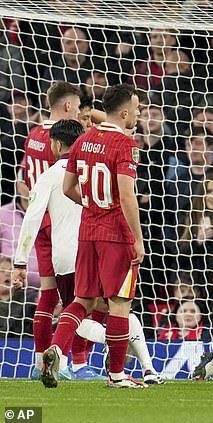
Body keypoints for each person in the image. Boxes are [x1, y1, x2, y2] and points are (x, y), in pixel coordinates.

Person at [40, 84, 146, 389]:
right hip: (116, 234)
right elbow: (127, 196)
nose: (137, 114)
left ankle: (56, 350)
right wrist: (137, 239)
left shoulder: (84, 140)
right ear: (124, 112)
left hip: (87, 232)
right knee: (119, 304)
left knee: (82, 300)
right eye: (136, 109)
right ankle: (116, 376)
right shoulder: (125, 144)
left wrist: (89, 203)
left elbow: (67, 187)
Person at [19, 81, 81, 379]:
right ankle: (75, 364)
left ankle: (38, 362)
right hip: (60, 223)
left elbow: (24, 178)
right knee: (79, 299)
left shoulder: (33, 135)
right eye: (79, 107)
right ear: (68, 106)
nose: (81, 113)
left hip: (39, 221)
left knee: (47, 295)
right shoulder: (62, 141)